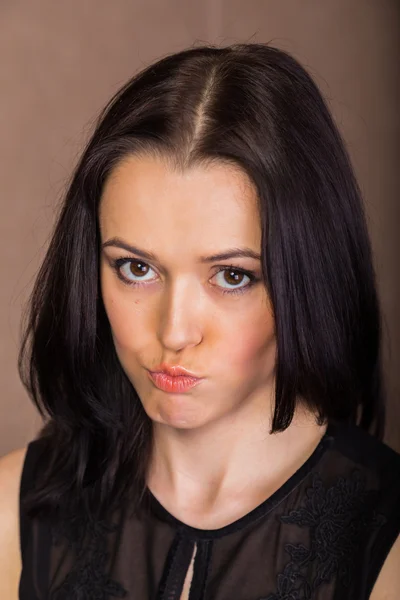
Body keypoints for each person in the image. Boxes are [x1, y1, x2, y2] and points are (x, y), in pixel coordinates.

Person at [0, 42, 399, 600]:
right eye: (136, 268)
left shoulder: (388, 542)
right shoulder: (13, 511)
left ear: (307, 276)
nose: (174, 332)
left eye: (232, 276)